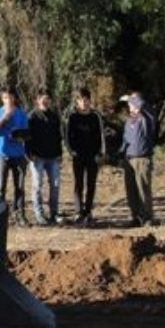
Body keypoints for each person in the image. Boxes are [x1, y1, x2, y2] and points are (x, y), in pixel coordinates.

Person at [0, 87, 30, 225]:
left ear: (14, 98)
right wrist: (5, 118)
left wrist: (20, 137)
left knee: (20, 186)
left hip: (18, 154)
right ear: (2, 99)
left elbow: (26, 133)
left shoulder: (22, 114)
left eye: (11, 97)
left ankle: (20, 215)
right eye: (5, 97)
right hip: (2, 153)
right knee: (1, 187)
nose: (8, 100)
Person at [66, 88, 105, 226]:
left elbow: (101, 136)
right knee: (78, 184)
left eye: (86, 100)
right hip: (78, 155)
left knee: (91, 184)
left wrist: (100, 153)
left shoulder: (96, 116)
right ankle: (78, 212)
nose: (84, 102)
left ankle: (88, 211)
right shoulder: (72, 116)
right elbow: (68, 136)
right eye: (81, 100)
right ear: (77, 101)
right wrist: (71, 151)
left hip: (93, 156)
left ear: (89, 100)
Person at [27, 91, 63, 225]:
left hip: (53, 157)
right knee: (37, 185)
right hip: (37, 157)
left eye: (47, 98)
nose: (45, 101)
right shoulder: (32, 116)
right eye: (42, 98)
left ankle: (54, 213)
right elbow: (27, 138)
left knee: (55, 185)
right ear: (37, 100)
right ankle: (39, 214)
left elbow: (59, 137)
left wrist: (60, 154)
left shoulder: (54, 116)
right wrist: (30, 154)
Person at [121, 94, 157, 227]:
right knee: (131, 190)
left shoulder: (147, 118)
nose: (131, 105)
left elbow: (144, 105)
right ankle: (135, 217)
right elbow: (126, 140)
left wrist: (130, 97)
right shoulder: (129, 121)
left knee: (143, 189)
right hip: (129, 159)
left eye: (133, 102)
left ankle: (147, 217)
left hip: (142, 159)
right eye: (130, 103)